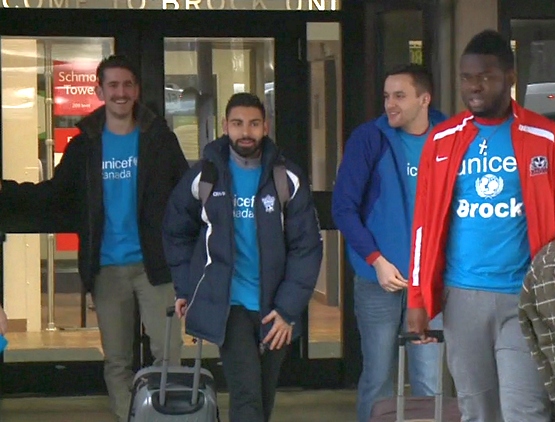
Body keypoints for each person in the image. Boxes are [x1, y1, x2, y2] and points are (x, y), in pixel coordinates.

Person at [406, 30, 555, 422]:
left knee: (526, 411)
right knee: (478, 411)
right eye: (466, 77)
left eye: (485, 77)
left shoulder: (544, 136)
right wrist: (418, 299)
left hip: (526, 296)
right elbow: (423, 226)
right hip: (463, 298)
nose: (473, 87)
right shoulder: (442, 141)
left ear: (510, 77)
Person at [0, 54, 187, 421]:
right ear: (99, 90)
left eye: (127, 85)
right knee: (117, 360)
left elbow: (184, 193)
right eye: (113, 85)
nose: (121, 92)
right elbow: (54, 193)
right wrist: (6, 190)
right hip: (106, 267)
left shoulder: (159, 138)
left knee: (168, 354)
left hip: (155, 266)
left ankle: (168, 417)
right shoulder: (85, 143)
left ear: (137, 90)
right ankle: (128, 416)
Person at [162, 92, 322, 422]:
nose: (245, 131)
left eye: (253, 123)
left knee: (263, 395)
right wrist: (185, 288)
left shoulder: (286, 178)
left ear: (265, 127)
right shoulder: (204, 177)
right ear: (225, 126)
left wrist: (287, 310)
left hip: (274, 308)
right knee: (246, 393)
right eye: (237, 123)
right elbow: (176, 233)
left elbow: (305, 247)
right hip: (228, 304)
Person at [331, 63, 447, 422]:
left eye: (399, 96)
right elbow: (343, 207)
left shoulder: (450, 137)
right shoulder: (370, 138)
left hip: (429, 284)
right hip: (378, 281)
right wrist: (375, 260)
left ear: (424, 99)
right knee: (378, 378)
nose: (390, 104)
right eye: (386, 96)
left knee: (429, 381)